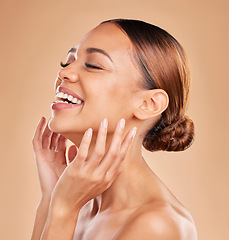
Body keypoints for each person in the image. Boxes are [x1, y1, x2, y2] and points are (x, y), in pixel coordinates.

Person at [31, 19, 198, 240]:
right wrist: (51, 197)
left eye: (93, 65)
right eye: (67, 62)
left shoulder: (158, 226)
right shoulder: (76, 202)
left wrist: (63, 210)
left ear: (149, 104)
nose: (66, 73)